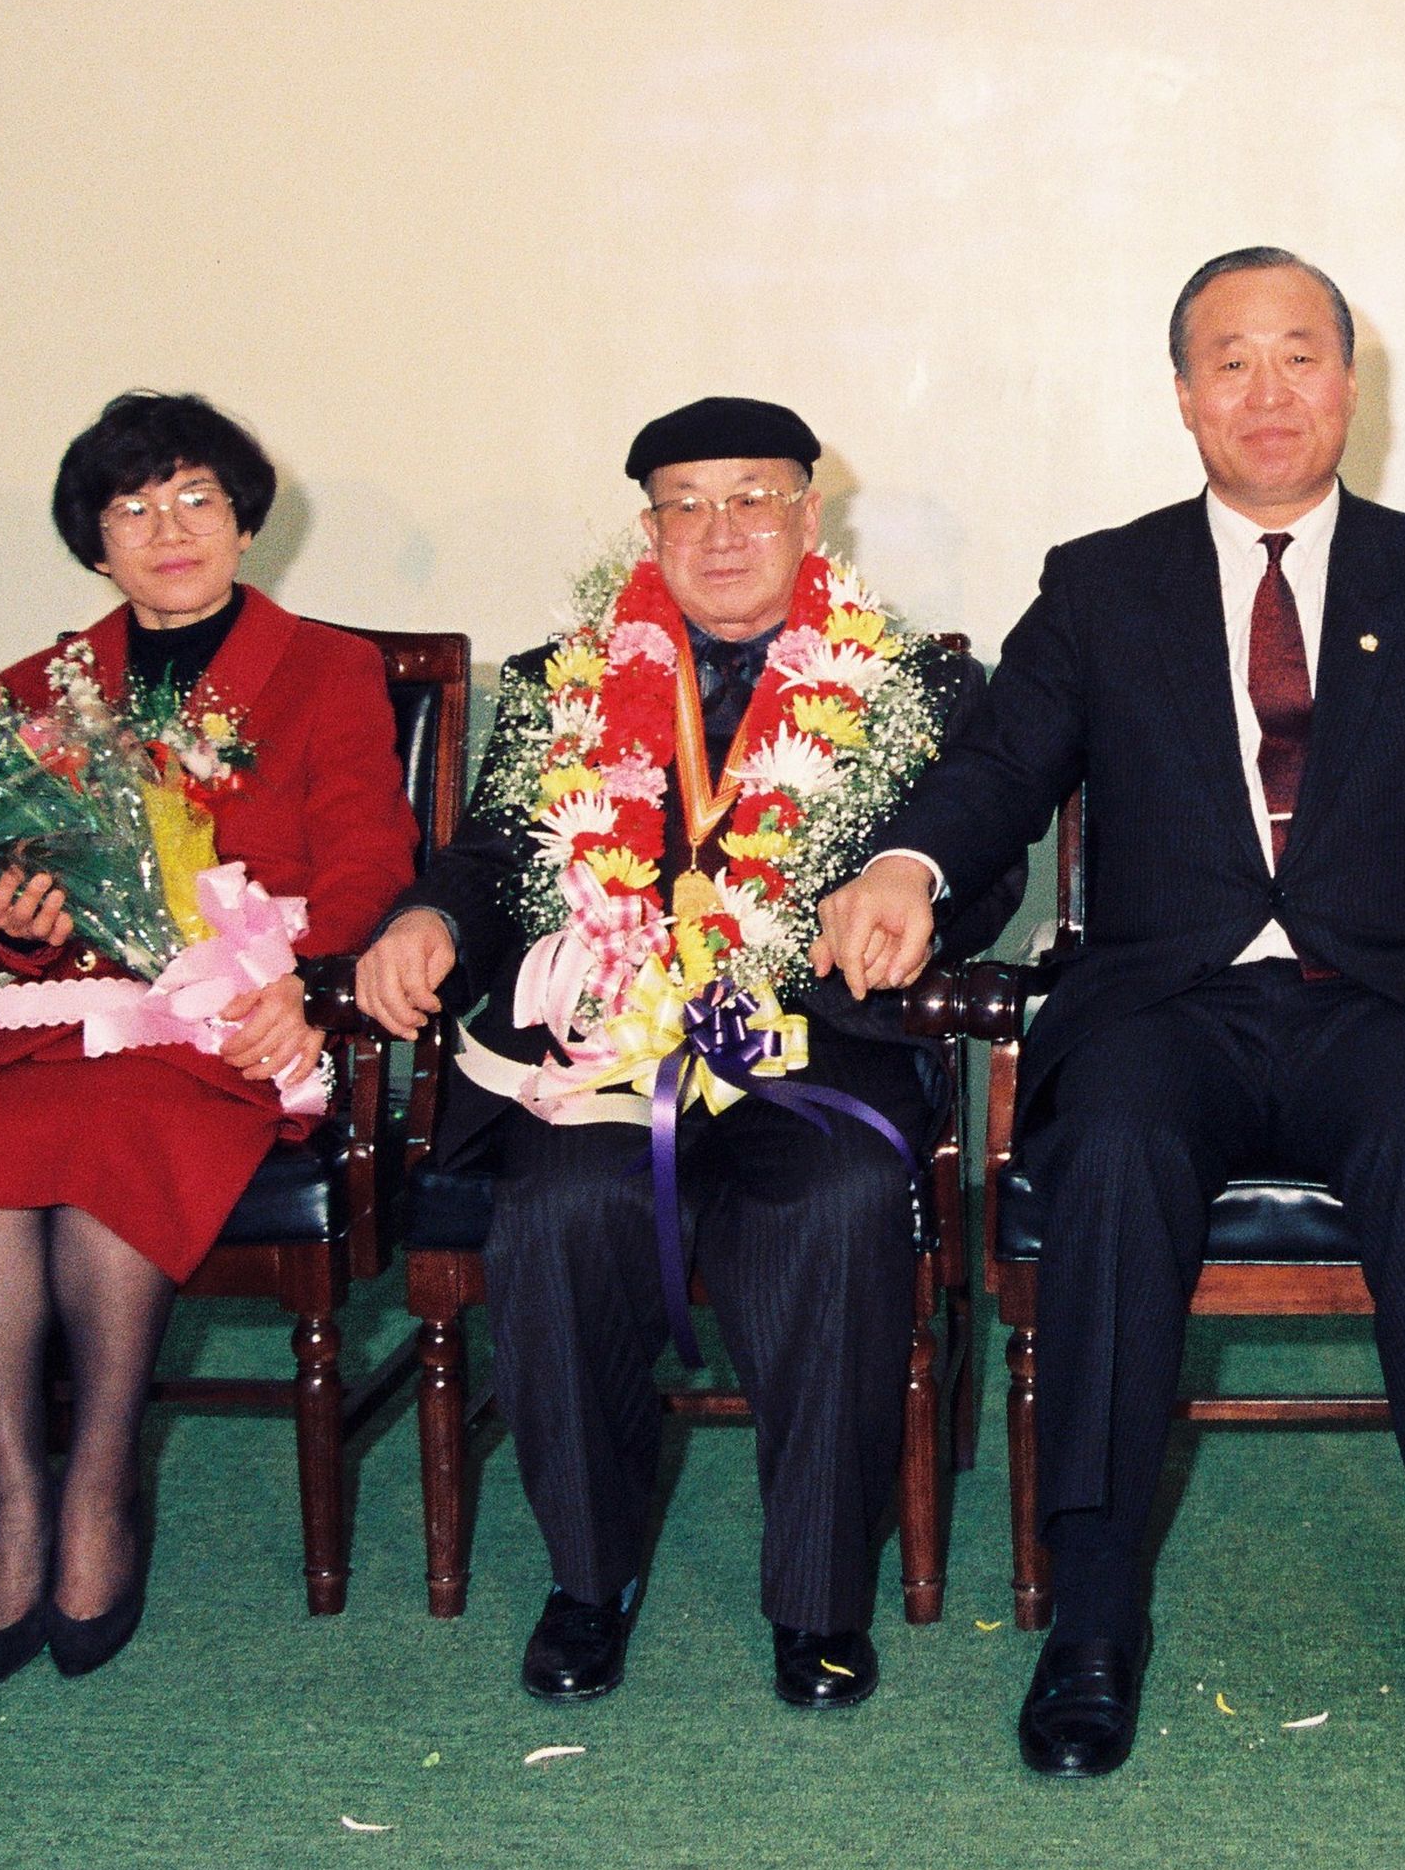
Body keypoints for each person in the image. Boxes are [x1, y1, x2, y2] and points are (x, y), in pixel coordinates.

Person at [816, 247, 1405, 1779]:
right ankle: (1091, 1615)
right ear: (1184, 396)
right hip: (1164, 1003)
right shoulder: (1102, 582)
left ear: (1350, 383)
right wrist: (905, 865)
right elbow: (1001, 768)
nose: (1267, 393)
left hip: (1380, 1001)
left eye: (1298, 357)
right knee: (1113, 1147)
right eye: (1231, 361)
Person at [353, 398, 1018, 1711]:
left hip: (812, 1048)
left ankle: (818, 1598)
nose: (721, 533)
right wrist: (430, 919)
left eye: (753, 499)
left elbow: (979, 862)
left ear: (809, 514)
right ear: (649, 529)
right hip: (605, 1045)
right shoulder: (562, 678)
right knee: (558, 1210)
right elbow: (489, 858)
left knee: (837, 1204)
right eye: (686, 506)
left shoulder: (918, 682)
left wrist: (913, 915)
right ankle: (589, 1578)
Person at [0, 391, 419, 1685]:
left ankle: (100, 1486)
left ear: (245, 522)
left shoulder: (326, 672)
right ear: (95, 546)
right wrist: (12, 915)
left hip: (229, 1025)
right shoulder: (39, 692)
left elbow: (370, 865)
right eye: (133, 508)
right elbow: (4, 908)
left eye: (197, 499)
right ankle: (13, 1498)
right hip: (62, 1025)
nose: (171, 531)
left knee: (113, 1149)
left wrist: (304, 979)